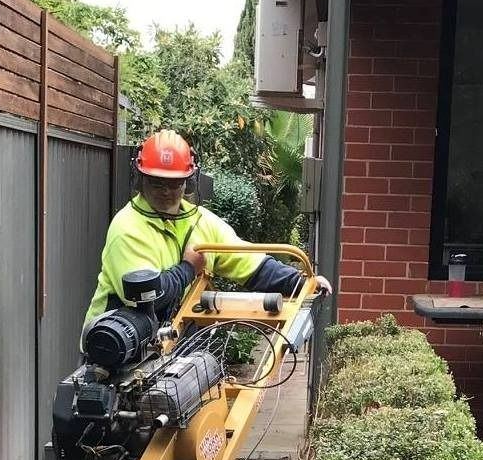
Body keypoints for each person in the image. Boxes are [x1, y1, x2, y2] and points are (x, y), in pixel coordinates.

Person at [83, 129, 330, 333]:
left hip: (168, 341)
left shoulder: (201, 222)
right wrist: (189, 267)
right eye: (156, 182)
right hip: (117, 347)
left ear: (187, 182)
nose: (166, 190)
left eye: (174, 182)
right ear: (141, 179)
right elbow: (149, 297)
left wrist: (301, 282)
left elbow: (250, 263)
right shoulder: (127, 227)